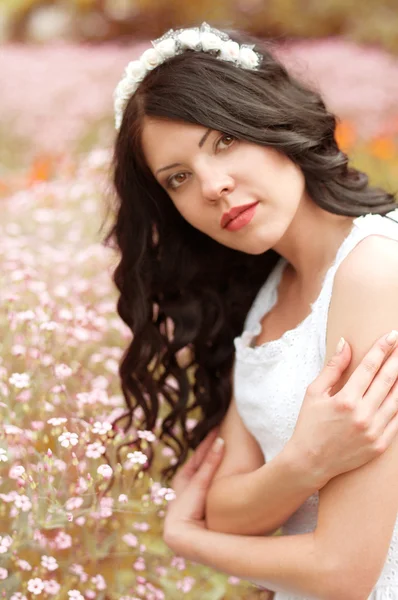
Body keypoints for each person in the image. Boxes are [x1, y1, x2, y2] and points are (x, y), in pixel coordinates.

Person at [106, 22, 398, 599]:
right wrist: (303, 463)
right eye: (179, 178)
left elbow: (344, 571)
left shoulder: (372, 272)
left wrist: (188, 541)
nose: (212, 186)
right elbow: (229, 507)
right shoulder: (271, 292)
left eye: (223, 140)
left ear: (271, 121)